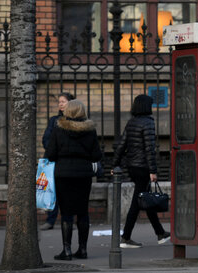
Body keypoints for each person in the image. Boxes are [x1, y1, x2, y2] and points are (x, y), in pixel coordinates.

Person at [44, 99, 102, 260]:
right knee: (83, 212)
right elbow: (97, 155)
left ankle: (67, 250)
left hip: (64, 175)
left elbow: (50, 154)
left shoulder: (59, 129)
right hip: (84, 175)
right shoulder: (90, 130)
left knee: (67, 213)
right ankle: (82, 250)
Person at [113, 94, 170, 248]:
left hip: (132, 166)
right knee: (137, 202)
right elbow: (149, 149)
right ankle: (125, 237)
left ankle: (160, 233)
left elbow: (121, 145)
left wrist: (115, 165)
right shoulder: (148, 123)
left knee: (145, 198)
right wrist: (153, 170)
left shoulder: (131, 123)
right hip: (143, 167)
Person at [40, 92, 75, 231]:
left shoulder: (76, 121)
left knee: (68, 191)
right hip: (54, 160)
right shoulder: (54, 120)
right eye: (59, 101)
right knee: (51, 191)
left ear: (71, 103)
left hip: (68, 161)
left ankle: (69, 219)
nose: (60, 104)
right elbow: (46, 139)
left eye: (63, 101)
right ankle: (50, 220)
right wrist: (55, 151)